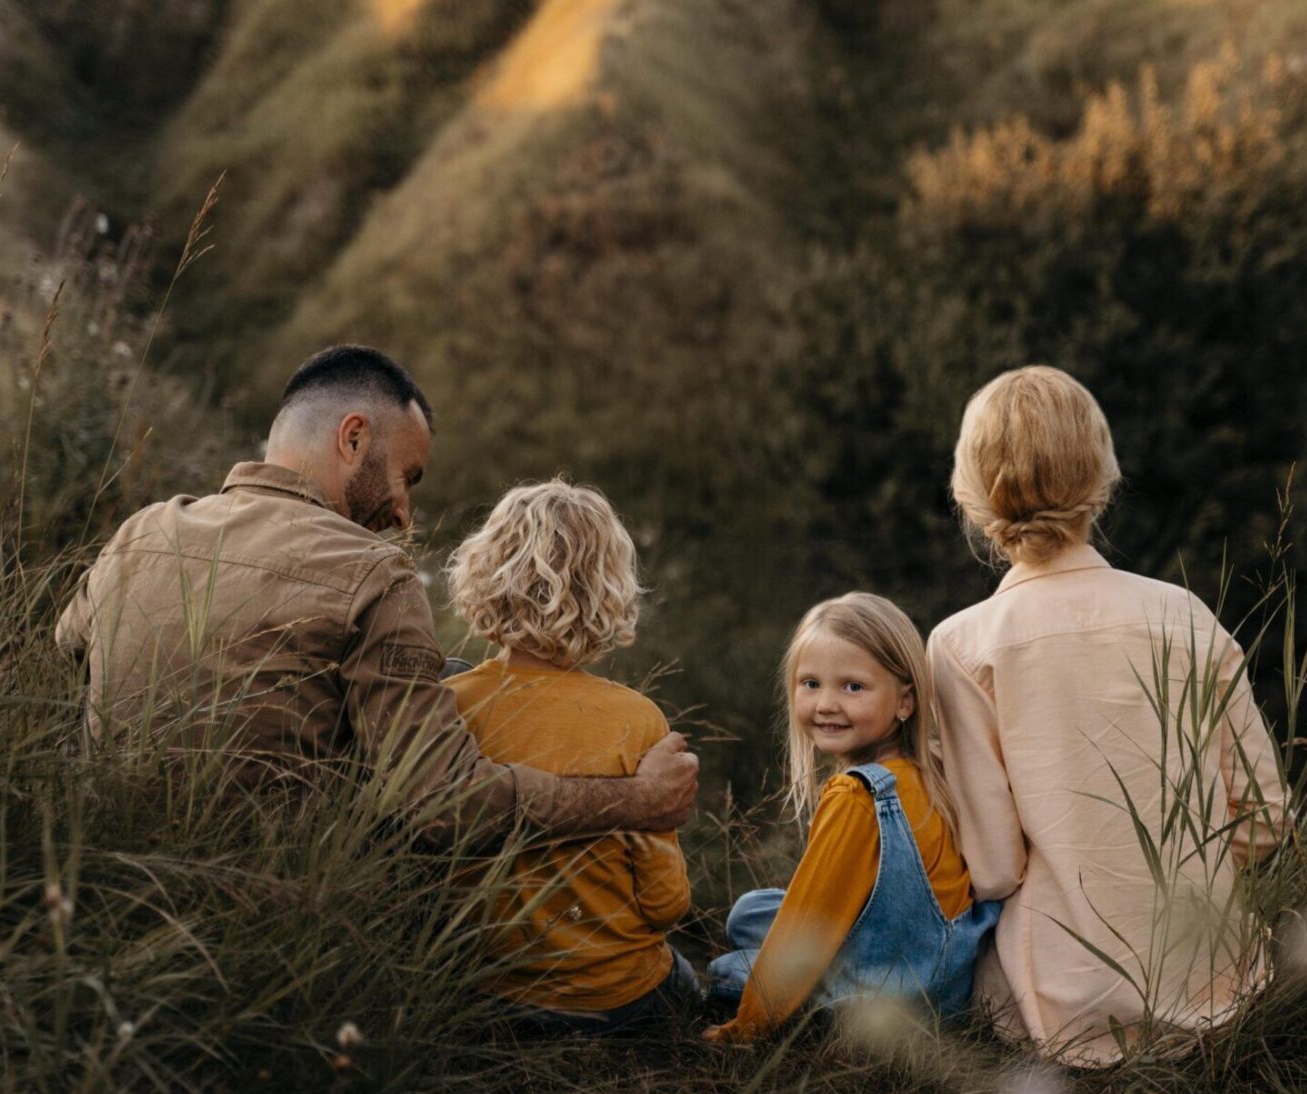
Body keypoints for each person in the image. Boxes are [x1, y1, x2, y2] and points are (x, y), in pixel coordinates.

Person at [54, 345, 696, 846]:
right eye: (405, 478)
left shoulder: (142, 532)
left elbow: (68, 654)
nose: (403, 513)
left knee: (449, 677)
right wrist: (635, 801)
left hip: (103, 872)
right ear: (353, 438)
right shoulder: (371, 574)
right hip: (274, 912)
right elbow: (443, 805)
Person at [927, 365, 1290, 1067]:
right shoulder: (1186, 615)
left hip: (1057, 1006)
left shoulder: (962, 645)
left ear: (970, 496)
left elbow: (996, 869)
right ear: (1103, 481)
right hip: (1216, 990)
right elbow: (1266, 815)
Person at [444, 480, 699, 1034]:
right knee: (695, 980)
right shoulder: (638, 721)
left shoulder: (447, 707)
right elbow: (665, 904)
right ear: (609, 589)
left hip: (490, 998)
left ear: (483, 575)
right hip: (619, 999)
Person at [703, 593, 999, 1042]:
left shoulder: (856, 796)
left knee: (729, 972)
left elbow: (809, 922)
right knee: (749, 912)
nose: (825, 704)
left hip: (885, 1000)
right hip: (940, 979)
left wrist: (745, 1027)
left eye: (852, 687)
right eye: (811, 684)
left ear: (905, 701)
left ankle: (809, 1012)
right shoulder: (929, 771)